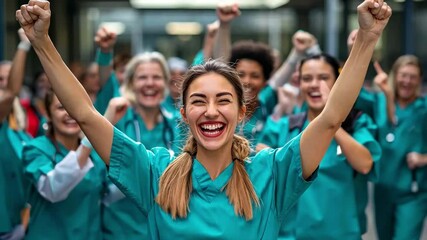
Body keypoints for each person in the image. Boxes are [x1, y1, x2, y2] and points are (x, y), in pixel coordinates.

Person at [16, 0, 391, 239]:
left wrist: (367, 39)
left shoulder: (272, 172)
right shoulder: (154, 171)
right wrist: (42, 43)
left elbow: (329, 119)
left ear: (242, 111)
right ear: (183, 113)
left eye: (223, 100)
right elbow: (85, 114)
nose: (211, 111)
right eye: (199, 101)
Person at [257, 53, 381, 239]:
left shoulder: (356, 123)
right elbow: (260, 156)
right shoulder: (286, 125)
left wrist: (332, 120)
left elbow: (364, 164)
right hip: (291, 234)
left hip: (341, 233)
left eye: (323, 78)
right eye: (307, 79)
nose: (314, 84)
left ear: (337, 82)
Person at [355, 54, 427, 240]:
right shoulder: (378, 101)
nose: (407, 81)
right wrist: (355, 52)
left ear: (419, 80)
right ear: (395, 75)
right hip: (383, 190)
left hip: (412, 192)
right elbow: (352, 92)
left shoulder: (423, 108)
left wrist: (423, 158)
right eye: (403, 75)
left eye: (413, 77)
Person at [21, 91, 107, 239]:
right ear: (48, 114)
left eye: (75, 107)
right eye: (61, 108)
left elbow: (112, 195)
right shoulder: (35, 149)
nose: (70, 113)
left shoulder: (96, 155)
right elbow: (53, 188)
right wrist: (89, 140)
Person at [0, 28, 32, 240]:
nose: (5, 83)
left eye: (9, 78)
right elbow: (11, 93)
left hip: (19, 223)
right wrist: (24, 45)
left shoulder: (21, 128)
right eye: (0, 78)